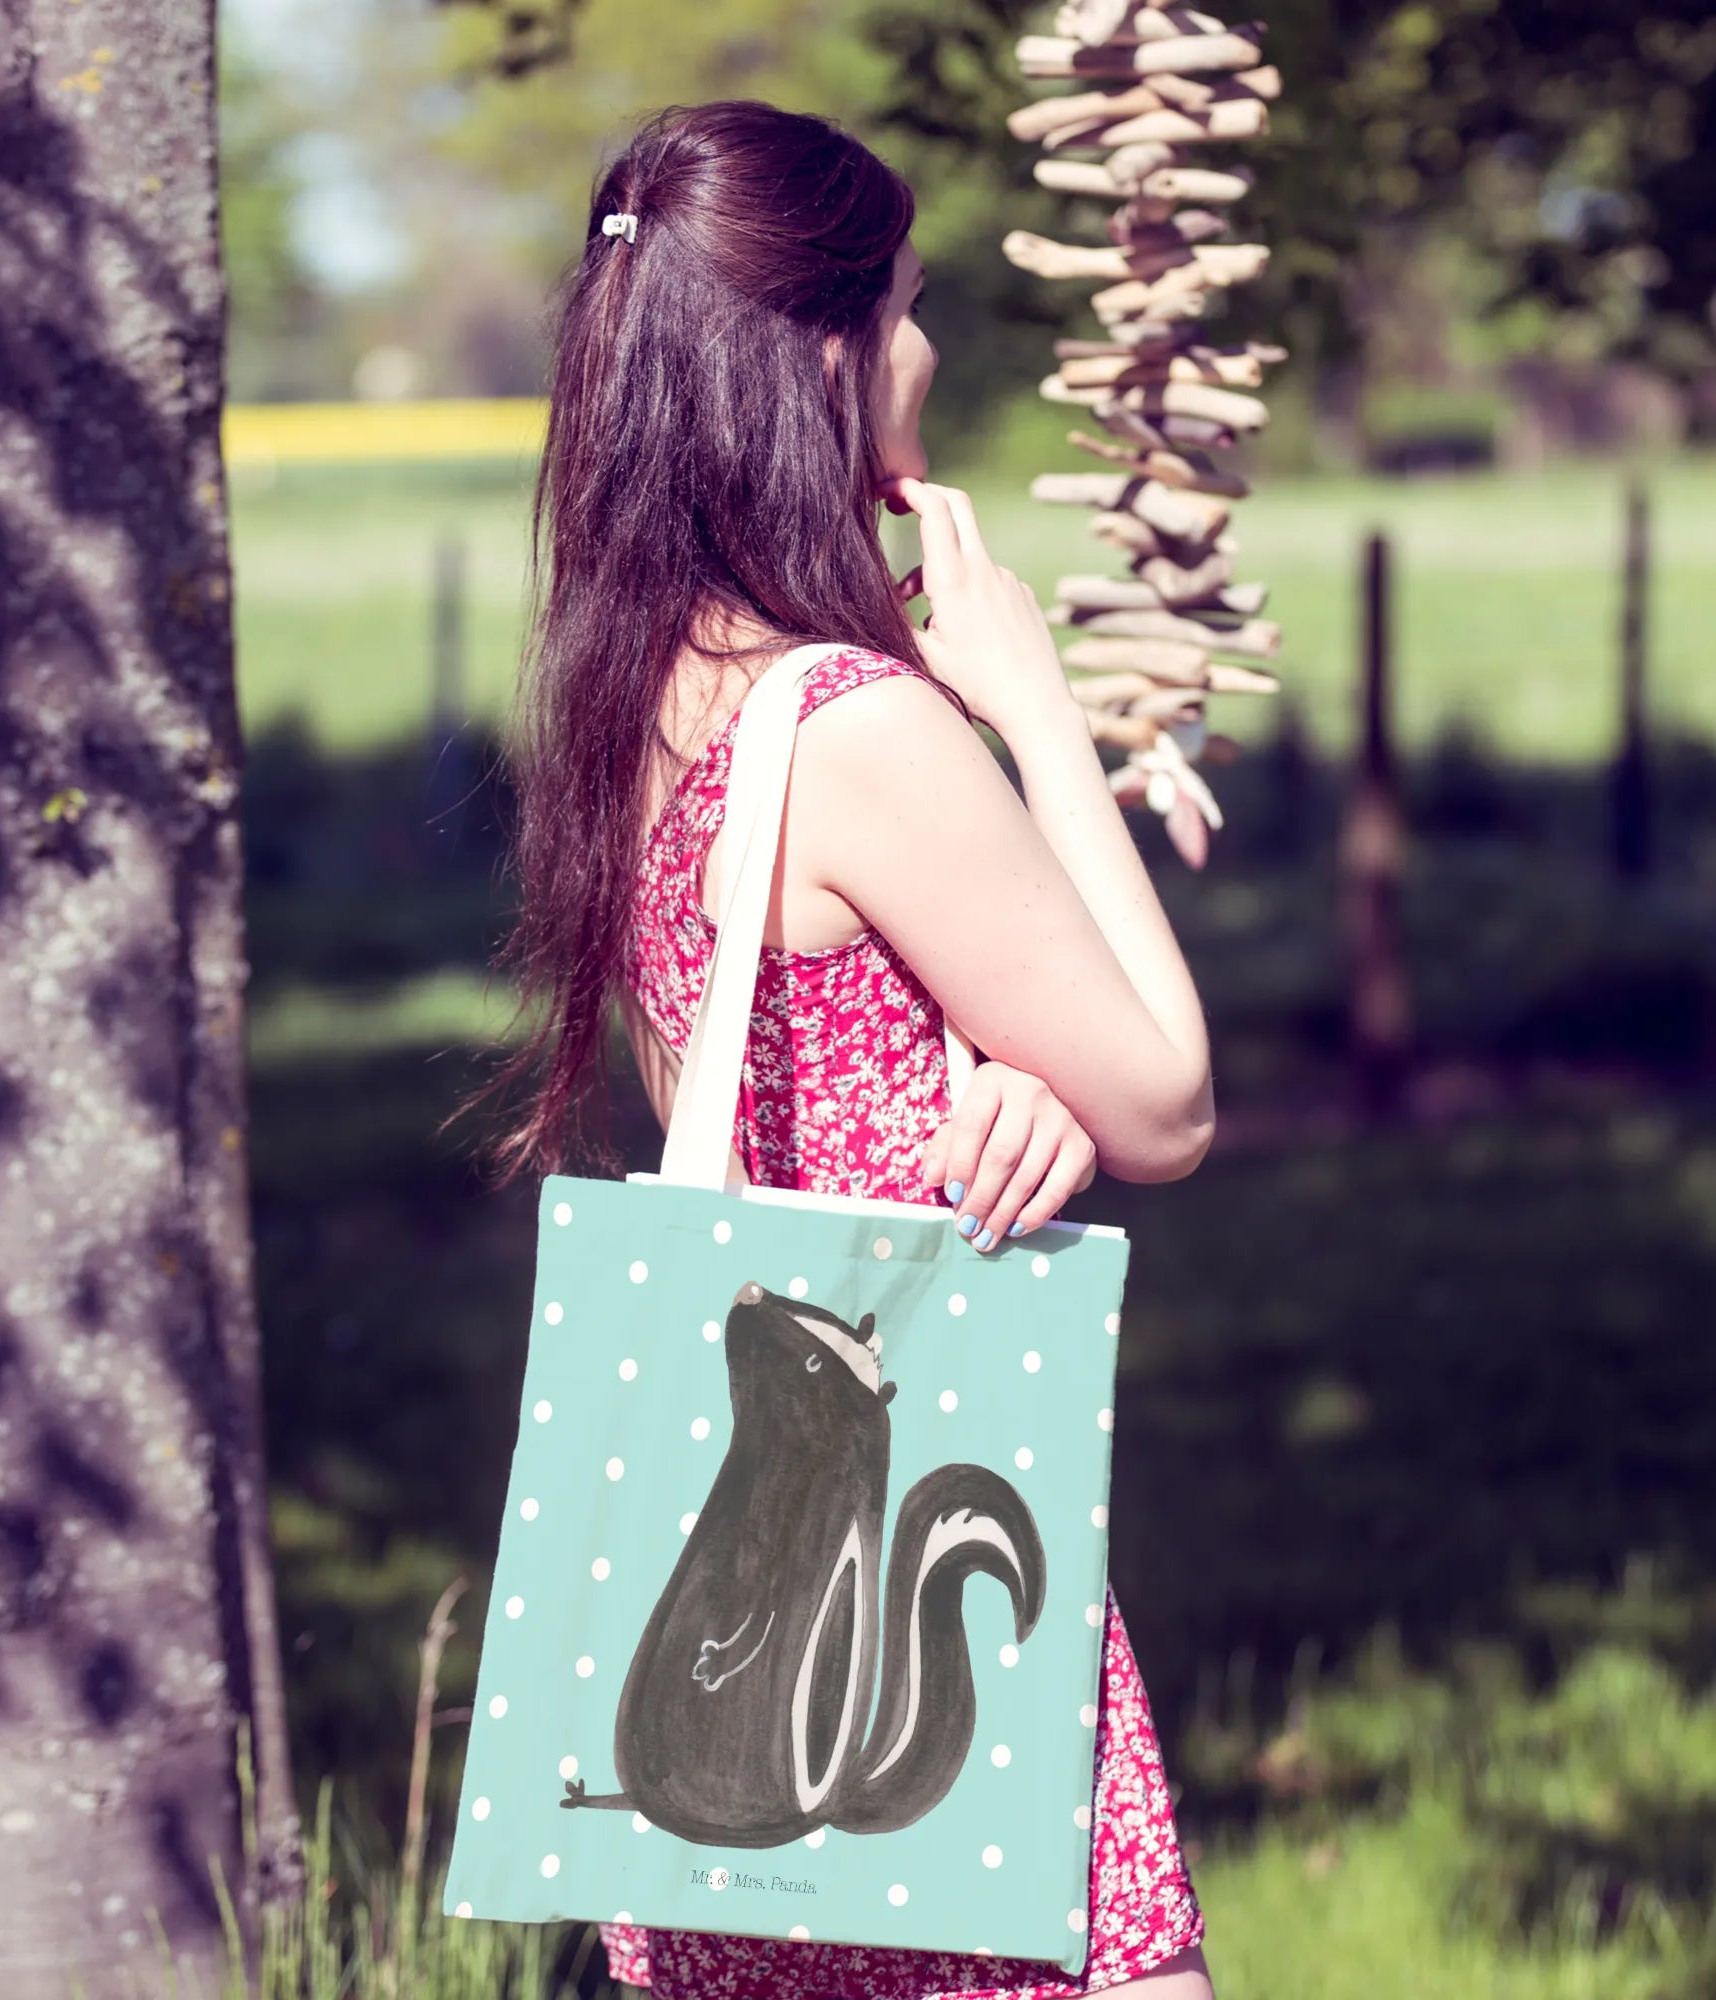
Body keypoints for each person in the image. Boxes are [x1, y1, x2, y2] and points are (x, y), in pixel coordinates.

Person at [473, 97, 1217, 2000]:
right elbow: (1167, 1099)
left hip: (727, 1631)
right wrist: (1038, 716)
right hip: (908, 1596)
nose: (926, 350)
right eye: (903, 306)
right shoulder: (862, 729)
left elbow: (757, 1086)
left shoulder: (641, 697)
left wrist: (998, 1072)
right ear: (818, 352)